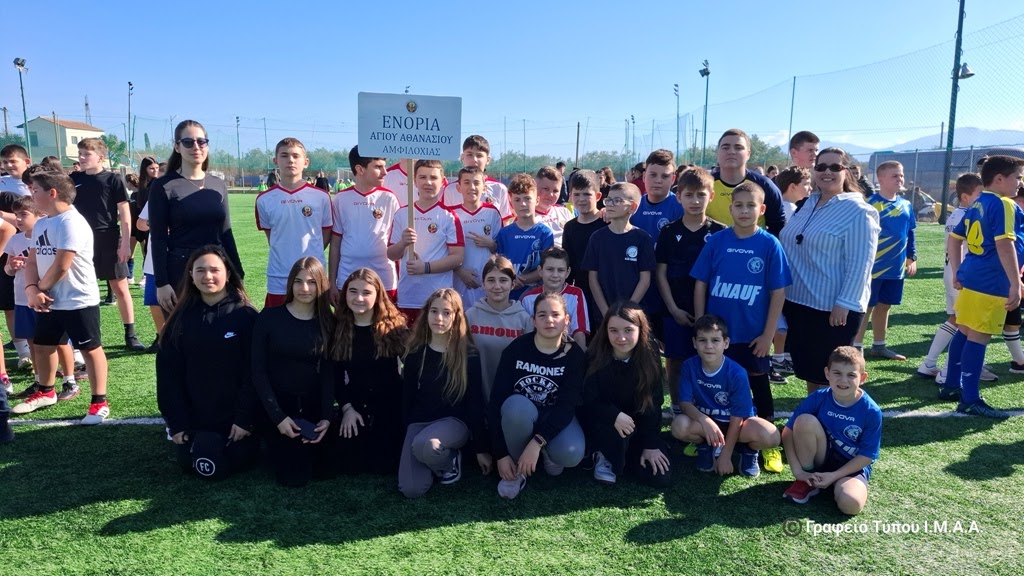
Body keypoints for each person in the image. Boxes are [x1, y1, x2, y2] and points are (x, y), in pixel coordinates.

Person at [691, 180, 790, 473]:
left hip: (752, 335)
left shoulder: (769, 244)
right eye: (739, 205)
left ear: (762, 209)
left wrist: (768, 334)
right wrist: (700, 324)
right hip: (717, 336)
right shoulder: (717, 241)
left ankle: (763, 445)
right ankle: (708, 439)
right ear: (731, 208)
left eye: (750, 206)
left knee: (758, 383)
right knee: (714, 383)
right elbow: (701, 283)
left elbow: (778, 292)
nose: (744, 211)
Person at [779, 148, 879, 394]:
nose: (827, 172)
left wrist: (844, 302)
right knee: (811, 372)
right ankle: (815, 415)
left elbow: (862, 263)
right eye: (821, 166)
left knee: (830, 376)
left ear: (846, 171)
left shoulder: (859, 211)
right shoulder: (808, 203)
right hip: (798, 303)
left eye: (835, 167)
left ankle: (831, 416)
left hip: (831, 309)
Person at [15, 170, 111, 424]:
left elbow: (62, 265)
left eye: (35, 190)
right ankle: (46, 392)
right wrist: (32, 289)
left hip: (77, 298)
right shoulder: (42, 223)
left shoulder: (71, 222)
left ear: (52, 193)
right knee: (44, 345)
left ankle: (99, 402)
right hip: (48, 299)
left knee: (90, 348)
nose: (31, 195)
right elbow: (32, 260)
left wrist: (39, 290)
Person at [156, 245, 260, 480]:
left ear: (228, 274)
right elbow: (168, 377)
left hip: (236, 422)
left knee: (238, 460)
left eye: (215, 270)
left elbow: (256, 374)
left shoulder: (246, 316)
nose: (208, 276)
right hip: (195, 421)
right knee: (190, 463)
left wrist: (245, 420)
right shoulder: (179, 320)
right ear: (191, 275)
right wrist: (177, 423)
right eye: (200, 270)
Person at [942, 155, 1024, 418]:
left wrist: (958, 271)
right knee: (978, 337)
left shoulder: (978, 202)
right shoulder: (1004, 204)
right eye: (1018, 177)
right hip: (992, 281)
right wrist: (1015, 282)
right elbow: (1004, 244)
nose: (1020, 183)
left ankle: (951, 385)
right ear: (999, 179)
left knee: (964, 330)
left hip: (973, 276)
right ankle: (970, 399)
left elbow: (954, 239)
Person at [489, 292, 586, 499]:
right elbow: (496, 401)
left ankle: (547, 451)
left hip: (554, 416)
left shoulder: (575, 356)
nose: (549, 320)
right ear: (533, 320)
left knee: (571, 453)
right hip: (523, 416)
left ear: (566, 319)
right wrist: (501, 454)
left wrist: (538, 442)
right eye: (542, 315)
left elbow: (566, 407)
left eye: (555, 314)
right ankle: (518, 468)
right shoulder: (516, 349)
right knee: (515, 407)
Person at [252, 257, 336, 487]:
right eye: (298, 281)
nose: (304, 288)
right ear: (290, 284)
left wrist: (326, 417)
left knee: (327, 469)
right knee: (294, 477)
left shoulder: (328, 322)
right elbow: (258, 372)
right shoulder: (269, 318)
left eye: (311, 282)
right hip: (278, 409)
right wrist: (278, 417)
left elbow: (329, 373)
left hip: (311, 408)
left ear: (321, 285)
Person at [399, 288, 490, 498]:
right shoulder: (415, 353)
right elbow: (407, 398)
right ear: (426, 314)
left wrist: (481, 448)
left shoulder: (469, 356)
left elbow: (475, 403)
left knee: (426, 445)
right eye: (434, 311)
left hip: (454, 423)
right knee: (412, 489)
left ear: (456, 317)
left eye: (446, 312)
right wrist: (405, 436)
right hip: (420, 424)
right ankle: (432, 458)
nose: (439, 318)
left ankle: (450, 461)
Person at [149, 120, 244, 313]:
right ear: (177, 147)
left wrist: (238, 273)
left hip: (215, 268)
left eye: (201, 141)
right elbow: (158, 238)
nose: (196, 147)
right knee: (183, 329)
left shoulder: (218, 184)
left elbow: (226, 232)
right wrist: (162, 283)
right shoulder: (163, 185)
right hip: (181, 270)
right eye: (188, 142)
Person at [670, 315, 781, 477]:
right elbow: (685, 403)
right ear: (694, 343)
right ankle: (705, 446)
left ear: (726, 343)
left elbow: (738, 417)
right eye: (702, 340)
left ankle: (748, 450)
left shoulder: (737, 373)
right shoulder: (689, 365)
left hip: (738, 425)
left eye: (715, 340)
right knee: (679, 426)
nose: (709, 346)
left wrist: (726, 455)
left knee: (771, 436)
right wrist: (705, 421)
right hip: (709, 424)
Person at [656, 167, 726, 414]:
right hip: (676, 309)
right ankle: (677, 406)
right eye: (689, 195)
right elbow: (660, 273)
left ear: (711, 196)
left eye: (701, 195)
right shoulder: (668, 231)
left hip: (712, 311)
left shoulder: (720, 232)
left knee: (709, 358)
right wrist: (673, 308)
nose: (695, 201)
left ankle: (708, 407)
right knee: (675, 360)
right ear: (679, 197)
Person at [782, 346, 881, 515]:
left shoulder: (871, 411)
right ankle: (808, 479)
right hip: (820, 459)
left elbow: (867, 456)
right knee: (804, 421)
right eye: (837, 373)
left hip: (850, 467)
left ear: (863, 378)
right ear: (827, 373)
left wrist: (835, 475)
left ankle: (837, 484)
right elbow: (788, 432)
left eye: (851, 375)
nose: (843, 380)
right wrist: (798, 471)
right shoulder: (818, 397)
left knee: (851, 505)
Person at [583, 301, 671, 486]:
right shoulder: (595, 354)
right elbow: (587, 399)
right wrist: (613, 415)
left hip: (635, 423)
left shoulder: (650, 352)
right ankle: (602, 452)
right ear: (605, 330)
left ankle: (627, 453)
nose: (621, 337)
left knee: (659, 477)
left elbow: (654, 401)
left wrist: (650, 444)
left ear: (641, 329)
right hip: (604, 422)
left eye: (628, 330)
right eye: (614, 330)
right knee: (616, 452)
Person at [331, 267, 409, 475]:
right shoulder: (338, 328)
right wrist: (347, 409)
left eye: (366, 292)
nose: (359, 298)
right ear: (345, 294)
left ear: (378, 296)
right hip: (355, 405)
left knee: (385, 465)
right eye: (353, 291)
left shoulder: (394, 327)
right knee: (347, 465)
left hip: (390, 404)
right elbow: (335, 376)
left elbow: (412, 369)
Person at [69, 138, 144, 350]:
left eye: (87, 154)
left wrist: (125, 243)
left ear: (100, 157)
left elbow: (124, 212)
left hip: (109, 237)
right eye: (80, 153)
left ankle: (130, 334)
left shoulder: (113, 179)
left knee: (120, 288)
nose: (82, 157)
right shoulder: (73, 179)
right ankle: (81, 337)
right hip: (80, 239)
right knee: (79, 289)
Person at [4, 194, 77, 399]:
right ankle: (39, 381)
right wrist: (12, 266)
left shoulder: (48, 235)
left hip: (48, 297)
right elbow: (8, 269)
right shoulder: (15, 239)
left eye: (23, 214)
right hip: (23, 298)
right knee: (33, 342)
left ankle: (69, 380)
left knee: (60, 342)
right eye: (16, 215)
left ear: (39, 216)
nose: (18, 219)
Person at [919, 174, 990, 380]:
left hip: (952, 273)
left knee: (956, 320)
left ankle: (929, 363)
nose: (984, 198)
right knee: (967, 324)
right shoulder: (969, 215)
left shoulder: (955, 215)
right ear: (965, 197)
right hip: (963, 276)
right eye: (980, 194)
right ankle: (948, 372)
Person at [256, 138, 333, 308]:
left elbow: (326, 234)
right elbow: (271, 236)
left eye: (296, 156)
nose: (290, 160)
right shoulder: (264, 199)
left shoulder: (321, 197)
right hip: (279, 275)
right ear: (276, 161)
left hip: (313, 275)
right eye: (284, 156)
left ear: (306, 162)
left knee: (317, 322)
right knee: (277, 322)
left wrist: (311, 254)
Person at [387, 160, 465, 321]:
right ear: (414, 181)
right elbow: (391, 254)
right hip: (408, 297)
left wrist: (425, 267)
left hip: (438, 299)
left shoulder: (449, 216)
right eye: (422, 177)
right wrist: (402, 243)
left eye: (433, 177)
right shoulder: (402, 213)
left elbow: (458, 257)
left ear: (442, 182)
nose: (428, 182)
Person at [854, 161, 917, 360]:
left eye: (901, 175)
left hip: (896, 267)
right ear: (880, 179)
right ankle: (856, 347)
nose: (900, 179)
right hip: (873, 268)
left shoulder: (906, 205)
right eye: (894, 176)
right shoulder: (870, 203)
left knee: (885, 305)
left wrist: (911, 257)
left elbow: (910, 232)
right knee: (866, 307)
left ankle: (879, 346)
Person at [328, 146, 399, 305]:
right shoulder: (341, 199)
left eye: (384, 166)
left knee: (385, 320)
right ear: (360, 169)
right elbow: (335, 244)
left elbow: (398, 240)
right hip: (348, 275)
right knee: (348, 320)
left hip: (384, 277)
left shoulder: (389, 198)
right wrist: (332, 282)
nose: (385, 172)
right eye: (378, 167)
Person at [582, 182, 655, 323]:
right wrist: (606, 313)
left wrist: (628, 310)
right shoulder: (597, 237)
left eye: (617, 200)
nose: (610, 204)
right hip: (603, 314)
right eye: (608, 200)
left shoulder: (643, 238)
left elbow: (645, 280)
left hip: (632, 315)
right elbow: (593, 279)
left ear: (632, 207)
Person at [631, 150, 683, 342]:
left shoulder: (680, 206)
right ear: (644, 176)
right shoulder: (633, 206)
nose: (658, 180)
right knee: (642, 344)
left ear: (673, 178)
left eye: (665, 176)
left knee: (670, 346)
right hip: (639, 288)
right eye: (653, 175)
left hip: (670, 289)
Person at [465, 256, 532, 403]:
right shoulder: (469, 316)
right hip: (475, 400)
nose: (497, 286)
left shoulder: (524, 319)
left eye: (503, 280)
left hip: (511, 402)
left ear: (513, 284)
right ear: (483, 284)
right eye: (491, 280)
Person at [709, 129, 786, 236]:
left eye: (738, 147)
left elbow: (778, 225)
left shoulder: (765, 185)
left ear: (748, 154)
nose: (731, 151)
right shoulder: (705, 185)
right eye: (725, 147)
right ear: (718, 153)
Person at [561, 170, 607, 334]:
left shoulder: (607, 222)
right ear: (570, 196)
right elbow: (568, 262)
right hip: (582, 291)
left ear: (598, 196)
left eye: (587, 194)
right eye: (577, 194)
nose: (581, 199)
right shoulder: (570, 227)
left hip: (605, 291)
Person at [494, 174, 554, 300]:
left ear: (537, 200)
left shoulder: (545, 233)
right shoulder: (504, 233)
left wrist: (522, 279)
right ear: (511, 202)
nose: (523, 204)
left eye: (527, 198)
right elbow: (498, 265)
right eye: (517, 200)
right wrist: (510, 279)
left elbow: (547, 267)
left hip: (535, 297)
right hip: (508, 297)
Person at [0, 145, 34, 366]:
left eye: (13, 161)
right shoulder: (2, 183)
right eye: (5, 162)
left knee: (42, 301)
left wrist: (4, 215)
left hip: (31, 247)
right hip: (9, 253)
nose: (8, 165)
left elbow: (33, 218)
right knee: (10, 304)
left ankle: (71, 352)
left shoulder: (36, 183)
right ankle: (24, 353)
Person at [450, 166, 502, 306]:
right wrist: (460, 271)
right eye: (466, 182)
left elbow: (501, 249)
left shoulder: (492, 212)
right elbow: (443, 251)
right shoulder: (451, 214)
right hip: (459, 280)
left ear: (484, 188)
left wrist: (491, 244)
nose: (472, 187)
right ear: (458, 187)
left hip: (487, 281)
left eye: (476, 183)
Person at [522, 247, 589, 350]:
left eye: (560, 270)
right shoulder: (528, 298)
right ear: (540, 271)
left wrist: (579, 356)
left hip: (567, 351)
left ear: (567, 272)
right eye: (550, 269)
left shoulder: (576, 294)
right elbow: (527, 333)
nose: (555, 275)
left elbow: (579, 331)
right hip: (536, 350)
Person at [442, 135, 512, 222]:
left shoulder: (499, 188)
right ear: (462, 157)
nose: (474, 159)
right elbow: (445, 222)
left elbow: (504, 222)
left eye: (479, 155)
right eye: (469, 155)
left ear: (488, 160)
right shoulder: (450, 189)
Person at [131, 156, 160, 284]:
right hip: (143, 221)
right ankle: (145, 276)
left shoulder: (157, 184)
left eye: (157, 168)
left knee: (149, 250)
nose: (155, 171)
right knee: (146, 250)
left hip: (153, 224)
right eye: (151, 168)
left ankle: (146, 276)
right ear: (145, 169)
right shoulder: (143, 186)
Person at [534, 166, 574, 248]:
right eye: (546, 189)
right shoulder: (527, 217)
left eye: (555, 191)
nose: (551, 194)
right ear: (535, 187)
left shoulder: (564, 212)